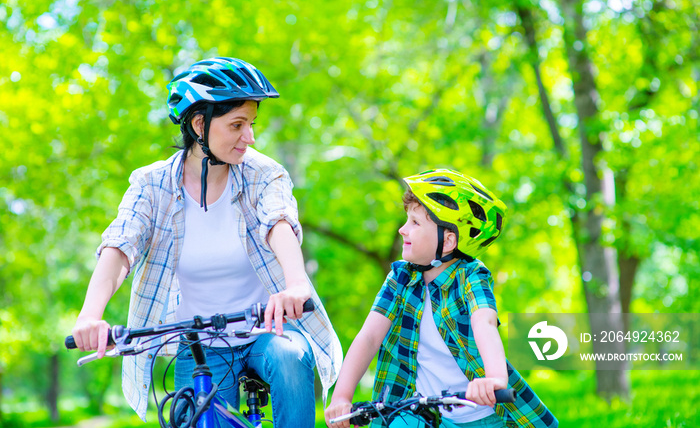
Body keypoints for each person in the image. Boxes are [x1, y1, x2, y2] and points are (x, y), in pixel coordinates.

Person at [70, 57, 342, 427]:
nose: (250, 137)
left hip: (267, 331)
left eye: (252, 124)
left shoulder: (264, 174)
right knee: (195, 414)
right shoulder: (151, 185)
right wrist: (90, 315)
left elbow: (279, 222)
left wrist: (295, 284)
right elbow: (121, 244)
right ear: (200, 124)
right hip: (199, 342)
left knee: (288, 357)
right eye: (237, 125)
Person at [325, 169, 557, 428]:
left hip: (481, 415)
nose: (403, 230)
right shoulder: (400, 278)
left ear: (447, 241)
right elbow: (369, 338)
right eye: (406, 220)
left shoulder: (471, 276)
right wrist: (342, 397)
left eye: (415, 223)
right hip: (419, 411)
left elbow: (485, 323)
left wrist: (494, 378)